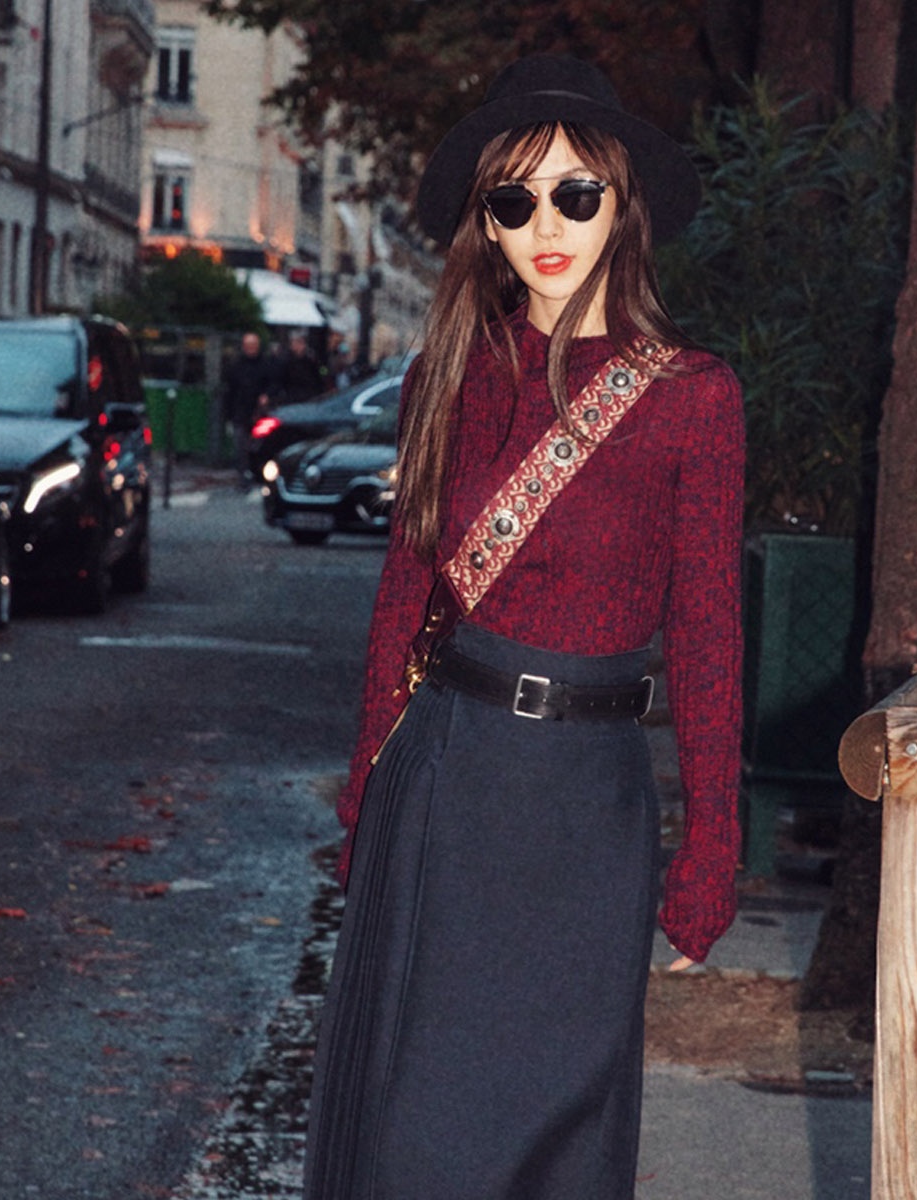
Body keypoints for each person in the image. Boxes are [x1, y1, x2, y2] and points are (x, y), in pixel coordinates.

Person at [303, 53, 743, 1200]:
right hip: (450, 783)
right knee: (421, 1134)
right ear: (487, 223)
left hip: (591, 805)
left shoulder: (692, 398)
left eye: (576, 193)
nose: (547, 225)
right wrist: (364, 792)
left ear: (623, 203)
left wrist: (713, 842)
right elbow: (404, 602)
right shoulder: (447, 378)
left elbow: (707, 635)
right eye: (515, 199)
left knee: (563, 1135)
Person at [221, 330, 279, 482]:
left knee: (258, 445)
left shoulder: (266, 364)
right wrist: (229, 413)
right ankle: (243, 473)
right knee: (240, 446)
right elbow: (230, 390)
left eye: (253, 345)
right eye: (248, 345)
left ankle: (257, 472)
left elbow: (274, 383)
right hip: (240, 411)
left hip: (259, 412)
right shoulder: (235, 365)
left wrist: (267, 395)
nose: (251, 348)